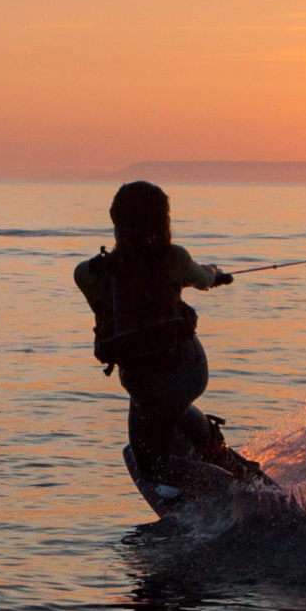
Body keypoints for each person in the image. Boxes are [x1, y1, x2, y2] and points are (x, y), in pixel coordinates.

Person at [74, 181, 260, 494]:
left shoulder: (88, 273)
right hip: (188, 370)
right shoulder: (175, 259)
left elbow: (125, 292)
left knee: (150, 464)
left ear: (114, 218)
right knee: (174, 412)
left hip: (144, 381)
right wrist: (215, 273)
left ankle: (231, 491)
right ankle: (235, 468)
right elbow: (204, 278)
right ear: (163, 221)